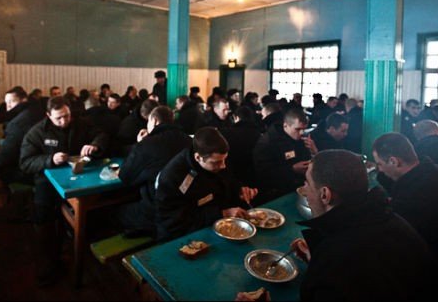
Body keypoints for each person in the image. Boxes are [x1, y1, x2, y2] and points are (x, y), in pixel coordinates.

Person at [279, 150, 437, 301]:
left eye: (307, 183)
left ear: (325, 194)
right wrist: (316, 258)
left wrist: (322, 264)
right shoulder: (392, 221)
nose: (305, 190)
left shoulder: (337, 264)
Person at [372, 132, 438, 297]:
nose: (379, 169)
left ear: (394, 161)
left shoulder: (412, 198)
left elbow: (399, 245)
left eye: (379, 164)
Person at [19, 96, 110, 286]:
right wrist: (50, 160)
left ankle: (82, 244)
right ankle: (49, 261)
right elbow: (25, 162)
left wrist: (95, 145)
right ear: (48, 115)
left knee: (95, 207)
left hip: (79, 176)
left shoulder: (81, 123)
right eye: (58, 118)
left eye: (67, 116)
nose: (64, 121)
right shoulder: (37, 132)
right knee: (43, 215)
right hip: (47, 180)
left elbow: (101, 134)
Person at [155, 127, 258, 242]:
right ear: (198, 157)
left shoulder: (217, 160)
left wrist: (239, 190)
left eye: (224, 160)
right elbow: (175, 220)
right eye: (217, 162)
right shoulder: (173, 176)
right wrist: (223, 213)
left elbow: (228, 182)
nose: (223, 166)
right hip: (181, 235)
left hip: (215, 223)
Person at [117, 106, 192, 236]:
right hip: (185, 207)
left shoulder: (147, 144)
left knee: (115, 213)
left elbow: (125, 176)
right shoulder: (189, 141)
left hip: (156, 211)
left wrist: (139, 144)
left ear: (154, 121)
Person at [0, 87, 42, 187]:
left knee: (2, 170)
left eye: (11, 102)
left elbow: (8, 151)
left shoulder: (18, 123)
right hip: (38, 159)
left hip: (33, 168)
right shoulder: (36, 109)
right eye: (6, 102)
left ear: (24, 100)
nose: (8, 106)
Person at [253, 108, 317, 203]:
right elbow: (264, 173)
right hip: (276, 192)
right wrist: (292, 169)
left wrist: (314, 152)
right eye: (298, 129)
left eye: (304, 129)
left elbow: (307, 160)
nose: (301, 133)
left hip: (299, 186)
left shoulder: (301, 139)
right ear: (285, 125)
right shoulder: (268, 142)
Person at [219, 106, 262, 187]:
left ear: (236, 117)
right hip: (254, 175)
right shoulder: (258, 134)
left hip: (234, 174)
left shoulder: (227, 133)